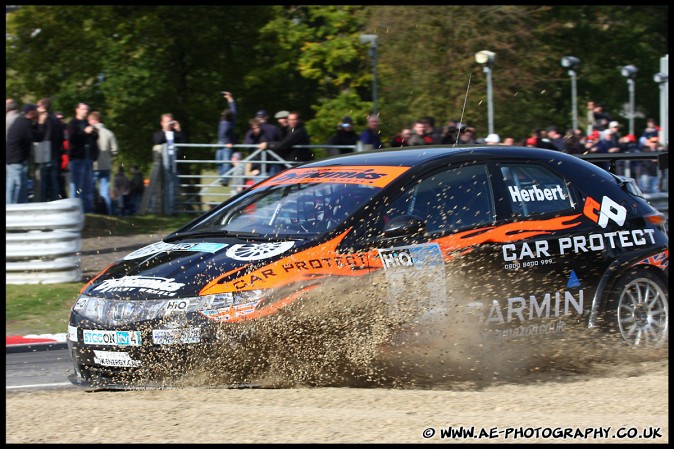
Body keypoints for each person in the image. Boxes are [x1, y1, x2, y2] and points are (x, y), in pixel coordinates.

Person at [6, 104, 46, 204]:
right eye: (36, 111)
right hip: (16, 160)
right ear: (31, 112)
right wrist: (41, 123)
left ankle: (12, 207)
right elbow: (37, 137)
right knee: (19, 185)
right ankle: (15, 208)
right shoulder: (24, 124)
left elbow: (32, 131)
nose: (38, 113)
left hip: (13, 159)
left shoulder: (21, 121)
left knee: (13, 184)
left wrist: (37, 123)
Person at [67, 102, 100, 212]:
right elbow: (73, 139)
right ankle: (74, 208)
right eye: (83, 109)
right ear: (77, 110)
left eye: (86, 109)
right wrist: (84, 133)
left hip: (88, 158)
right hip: (77, 158)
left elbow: (93, 139)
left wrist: (94, 133)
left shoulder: (87, 123)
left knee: (88, 185)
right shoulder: (73, 123)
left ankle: (88, 208)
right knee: (77, 186)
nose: (85, 111)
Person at [258, 111, 312, 175]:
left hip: (297, 163)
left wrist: (268, 144)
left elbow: (283, 144)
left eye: (293, 119)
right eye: (289, 119)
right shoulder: (289, 129)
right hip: (290, 162)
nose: (291, 121)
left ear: (299, 120)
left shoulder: (298, 131)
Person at [88, 110, 119, 214]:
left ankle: (92, 211)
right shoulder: (109, 133)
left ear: (93, 120)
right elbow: (115, 150)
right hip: (106, 164)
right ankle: (108, 212)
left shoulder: (90, 132)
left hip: (94, 165)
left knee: (91, 190)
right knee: (105, 191)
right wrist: (108, 156)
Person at [36, 97, 65, 202]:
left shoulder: (45, 119)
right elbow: (61, 137)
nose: (36, 108)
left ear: (43, 106)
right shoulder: (56, 120)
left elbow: (43, 137)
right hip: (55, 153)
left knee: (43, 181)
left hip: (45, 154)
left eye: (38, 106)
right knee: (54, 182)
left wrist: (40, 124)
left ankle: (43, 202)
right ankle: (55, 201)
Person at [216, 91, 237, 186]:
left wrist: (227, 143)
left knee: (226, 162)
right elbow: (233, 108)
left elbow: (233, 110)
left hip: (227, 143)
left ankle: (225, 179)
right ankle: (222, 177)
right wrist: (229, 98)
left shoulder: (229, 121)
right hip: (221, 142)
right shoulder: (229, 119)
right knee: (219, 161)